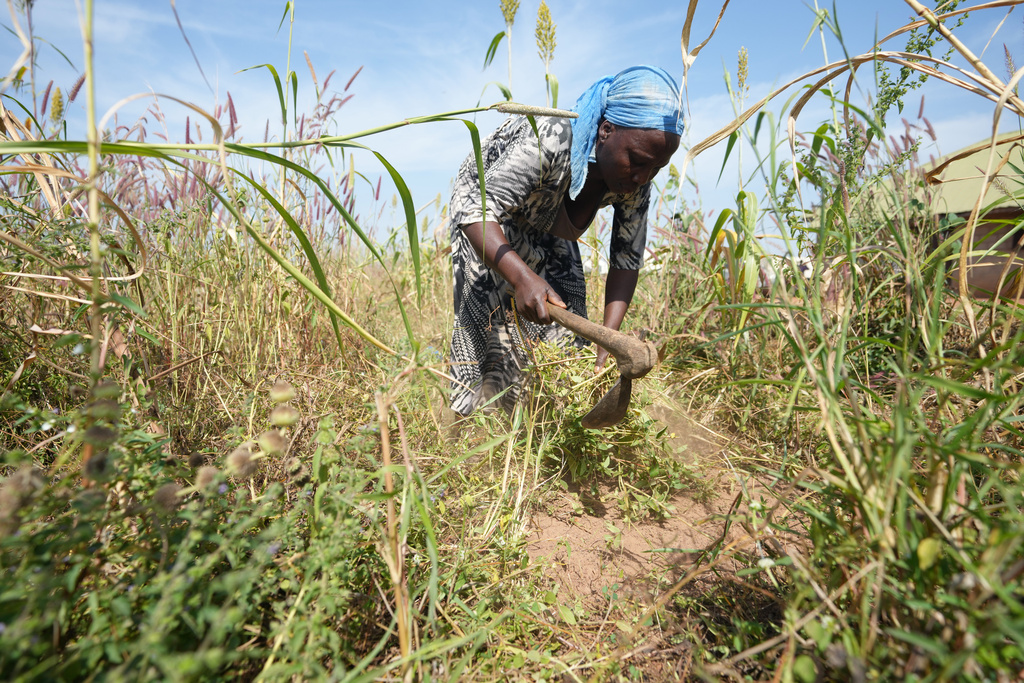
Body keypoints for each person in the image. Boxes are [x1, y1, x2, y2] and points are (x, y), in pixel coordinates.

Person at [447, 65, 683, 416]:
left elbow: (626, 258)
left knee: (566, 348)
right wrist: (522, 277)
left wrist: (610, 339)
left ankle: (548, 424)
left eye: (656, 169)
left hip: (547, 229)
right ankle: (468, 435)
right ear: (605, 131)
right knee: (490, 338)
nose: (642, 176)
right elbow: (473, 205)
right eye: (637, 161)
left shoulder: (636, 183)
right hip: (488, 222)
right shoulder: (551, 137)